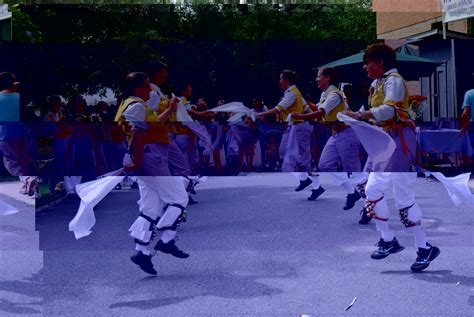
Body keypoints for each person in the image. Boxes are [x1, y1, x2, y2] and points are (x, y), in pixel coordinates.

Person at [114, 72, 190, 275]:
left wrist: (170, 109)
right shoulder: (137, 105)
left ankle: (142, 251)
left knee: (150, 208)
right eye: (146, 86)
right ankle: (166, 240)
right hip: (150, 157)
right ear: (137, 88)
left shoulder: (130, 104)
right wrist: (137, 160)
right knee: (179, 198)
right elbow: (138, 133)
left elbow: (148, 127)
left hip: (145, 157)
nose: (150, 89)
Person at [343, 43, 416, 172]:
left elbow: (389, 110)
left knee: (393, 184)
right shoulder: (378, 82)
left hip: (397, 138)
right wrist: (353, 114)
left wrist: (359, 115)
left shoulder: (393, 80)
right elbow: (377, 112)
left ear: (380, 62)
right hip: (383, 137)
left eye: (367, 62)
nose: (364, 67)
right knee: (369, 182)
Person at [291, 67, 361, 173]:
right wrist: (303, 100)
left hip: (346, 134)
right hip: (335, 134)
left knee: (352, 169)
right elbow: (317, 109)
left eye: (319, 76)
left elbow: (321, 112)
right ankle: (346, 185)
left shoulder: (334, 95)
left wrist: (300, 117)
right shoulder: (325, 94)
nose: (316, 79)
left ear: (327, 78)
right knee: (325, 165)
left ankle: (358, 187)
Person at [255, 70, 312, 172]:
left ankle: (305, 177)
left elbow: (277, 109)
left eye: (281, 79)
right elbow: (306, 108)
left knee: (303, 155)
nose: (279, 82)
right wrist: (313, 117)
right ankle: (294, 172)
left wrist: (258, 115)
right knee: (284, 151)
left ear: (286, 81)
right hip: (293, 127)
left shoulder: (292, 94)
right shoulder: (294, 92)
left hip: (299, 126)